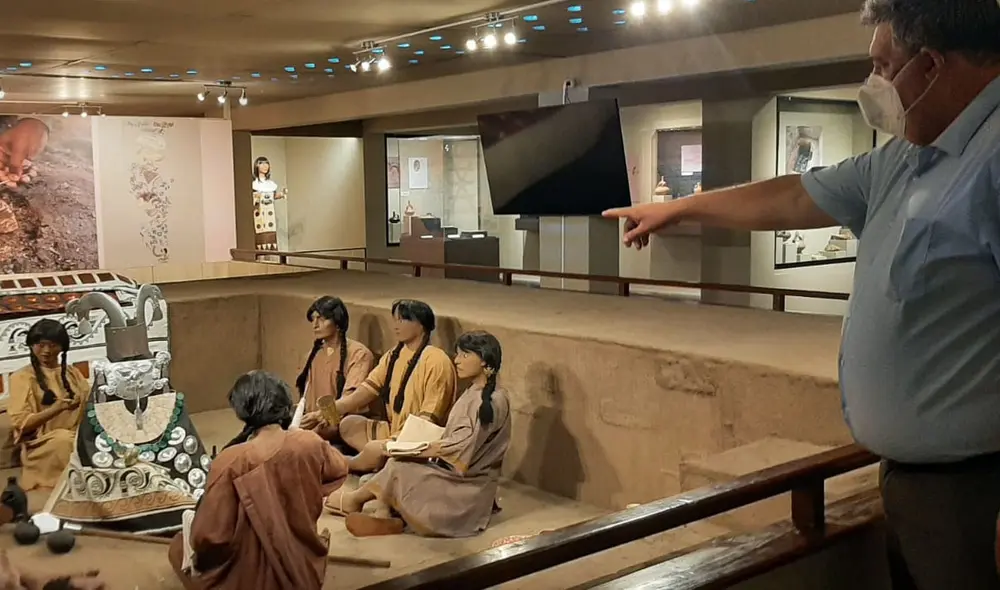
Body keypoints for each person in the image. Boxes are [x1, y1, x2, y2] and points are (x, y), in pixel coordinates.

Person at [603, 2, 1000, 588]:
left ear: (933, 65)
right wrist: (679, 207)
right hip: (914, 482)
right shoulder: (906, 154)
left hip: (975, 493)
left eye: (885, 66)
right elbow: (793, 197)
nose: (876, 84)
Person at [168, 371, 348, 590]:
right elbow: (338, 470)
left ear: (242, 410)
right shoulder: (309, 443)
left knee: (178, 548)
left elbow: (209, 537)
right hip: (303, 569)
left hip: (247, 579)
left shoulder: (230, 460)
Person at [326, 331, 511, 538]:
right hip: (405, 433)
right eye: (457, 354)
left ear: (485, 362)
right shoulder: (393, 356)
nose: (457, 360)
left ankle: (358, 499)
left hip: (464, 484)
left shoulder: (442, 367)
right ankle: (384, 513)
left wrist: (413, 448)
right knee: (369, 452)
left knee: (396, 467)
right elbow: (367, 390)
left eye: (465, 356)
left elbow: (456, 446)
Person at [333, 299, 457, 473]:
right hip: (393, 430)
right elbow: (367, 390)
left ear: (421, 325)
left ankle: (349, 463)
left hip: (418, 440)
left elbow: (427, 422)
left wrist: (396, 443)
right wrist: (330, 410)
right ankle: (379, 461)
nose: (396, 326)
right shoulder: (394, 354)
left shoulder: (437, 361)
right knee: (348, 425)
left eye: (403, 320)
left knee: (374, 450)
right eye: (395, 320)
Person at [7, 319, 88, 491]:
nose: (46, 351)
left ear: (62, 347)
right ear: (31, 345)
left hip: (77, 436)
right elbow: (21, 423)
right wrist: (55, 409)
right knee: (64, 441)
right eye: (40, 344)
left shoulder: (73, 373)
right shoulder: (21, 377)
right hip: (42, 445)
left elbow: (90, 406)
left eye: (52, 345)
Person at [296, 296, 375, 442]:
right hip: (315, 424)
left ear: (337, 322)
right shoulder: (311, 355)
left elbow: (351, 400)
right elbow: (306, 400)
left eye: (321, 319)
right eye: (313, 319)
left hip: (344, 426)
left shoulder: (359, 354)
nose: (315, 325)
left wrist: (324, 418)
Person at [251, 156, 286, 251]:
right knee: (261, 237)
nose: (265, 166)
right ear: (257, 166)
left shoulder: (271, 184)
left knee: (271, 237)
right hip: (259, 214)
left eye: (266, 164)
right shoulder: (254, 184)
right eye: (262, 164)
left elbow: (273, 196)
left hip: (270, 214)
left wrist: (282, 194)